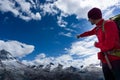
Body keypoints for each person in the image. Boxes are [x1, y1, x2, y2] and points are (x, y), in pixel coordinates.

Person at [77, 7, 120, 80]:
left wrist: (97, 45)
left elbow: (109, 45)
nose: (89, 20)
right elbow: (89, 32)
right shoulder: (97, 28)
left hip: (116, 60)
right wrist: (80, 35)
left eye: (89, 18)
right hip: (105, 59)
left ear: (93, 17)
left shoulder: (109, 24)